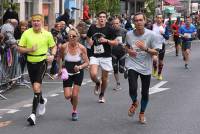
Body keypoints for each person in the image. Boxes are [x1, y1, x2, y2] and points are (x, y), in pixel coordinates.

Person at [17, 14, 56, 125]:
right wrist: (30, 49)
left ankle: (33, 114)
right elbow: (19, 48)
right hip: (30, 62)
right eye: (34, 21)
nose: (36, 23)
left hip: (42, 62)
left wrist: (52, 55)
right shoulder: (26, 33)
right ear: (31, 22)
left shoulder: (47, 34)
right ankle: (42, 100)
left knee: (36, 86)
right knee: (35, 88)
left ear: (42, 22)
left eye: (38, 21)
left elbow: (53, 46)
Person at [125, 12, 161, 124]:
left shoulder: (152, 35)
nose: (138, 22)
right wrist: (128, 50)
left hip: (146, 67)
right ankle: (135, 102)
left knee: (145, 93)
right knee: (132, 88)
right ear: (134, 22)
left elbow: (156, 52)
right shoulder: (129, 34)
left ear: (145, 21)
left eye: (141, 20)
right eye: (136, 20)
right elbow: (126, 45)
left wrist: (145, 48)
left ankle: (142, 113)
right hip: (132, 64)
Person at [87, 11, 118, 103]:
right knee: (93, 74)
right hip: (94, 55)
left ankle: (102, 94)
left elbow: (116, 42)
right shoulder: (92, 27)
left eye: (104, 17)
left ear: (106, 18)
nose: (102, 18)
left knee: (105, 78)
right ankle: (97, 82)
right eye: (100, 17)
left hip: (106, 56)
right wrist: (89, 41)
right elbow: (88, 37)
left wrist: (106, 40)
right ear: (97, 18)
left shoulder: (110, 29)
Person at [59, 28, 89, 121]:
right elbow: (60, 58)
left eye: (74, 36)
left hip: (78, 72)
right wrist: (60, 68)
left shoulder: (82, 48)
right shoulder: (64, 46)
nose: (71, 37)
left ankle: (74, 111)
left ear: (78, 37)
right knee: (68, 96)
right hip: (67, 73)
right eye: (70, 36)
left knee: (75, 94)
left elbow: (87, 62)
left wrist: (79, 67)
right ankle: (73, 100)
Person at [111, 17, 127, 90]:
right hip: (113, 53)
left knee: (121, 70)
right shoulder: (110, 31)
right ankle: (118, 84)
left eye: (117, 23)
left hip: (122, 53)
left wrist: (125, 45)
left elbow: (129, 40)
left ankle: (125, 69)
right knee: (115, 69)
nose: (115, 25)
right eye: (114, 23)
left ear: (120, 23)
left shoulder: (124, 31)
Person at [152, 14, 169, 80]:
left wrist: (163, 34)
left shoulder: (164, 27)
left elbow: (167, 37)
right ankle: (155, 68)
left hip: (161, 45)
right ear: (156, 19)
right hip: (154, 44)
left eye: (160, 18)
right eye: (158, 18)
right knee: (154, 59)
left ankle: (159, 74)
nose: (159, 19)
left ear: (162, 19)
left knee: (160, 61)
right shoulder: (152, 26)